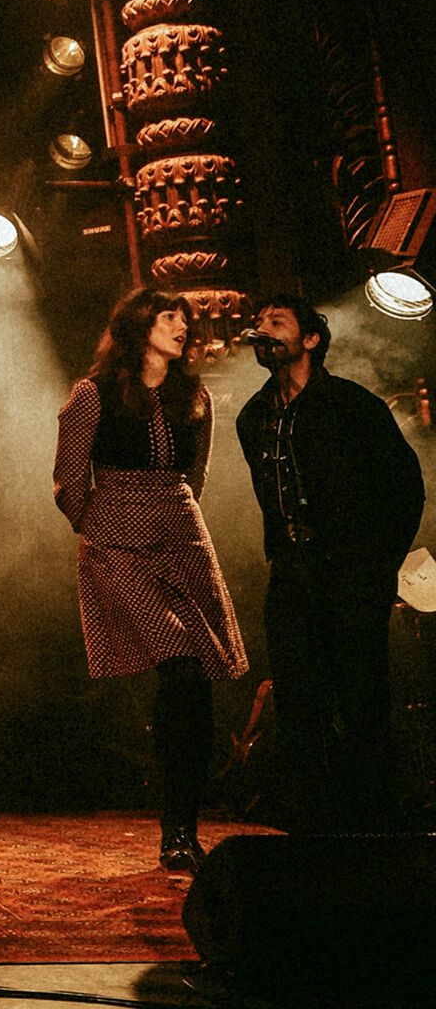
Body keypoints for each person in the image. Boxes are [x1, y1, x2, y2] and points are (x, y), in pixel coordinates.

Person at [53, 288, 247, 870]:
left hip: (181, 531)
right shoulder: (94, 393)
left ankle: (183, 825)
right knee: (181, 664)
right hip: (119, 539)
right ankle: (177, 828)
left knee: (196, 681)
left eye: (185, 319)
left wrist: (175, 511)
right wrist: (100, 522)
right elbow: (68, 478)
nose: (182, 326)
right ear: (139, 325)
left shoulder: (195, 394)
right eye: (169, 316)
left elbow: (198, 471)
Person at [237, 294, 423, 831]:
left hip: (350, 569)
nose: (263, 330)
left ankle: (371, 818)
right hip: (292, 570)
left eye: (277, 322)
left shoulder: (352, 405)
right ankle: (312, 817)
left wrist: (377, 564)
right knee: (297, 695)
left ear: (311, 339)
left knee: (361, 692)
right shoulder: (253, 417)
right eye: (259, 324)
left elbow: (404, 486)